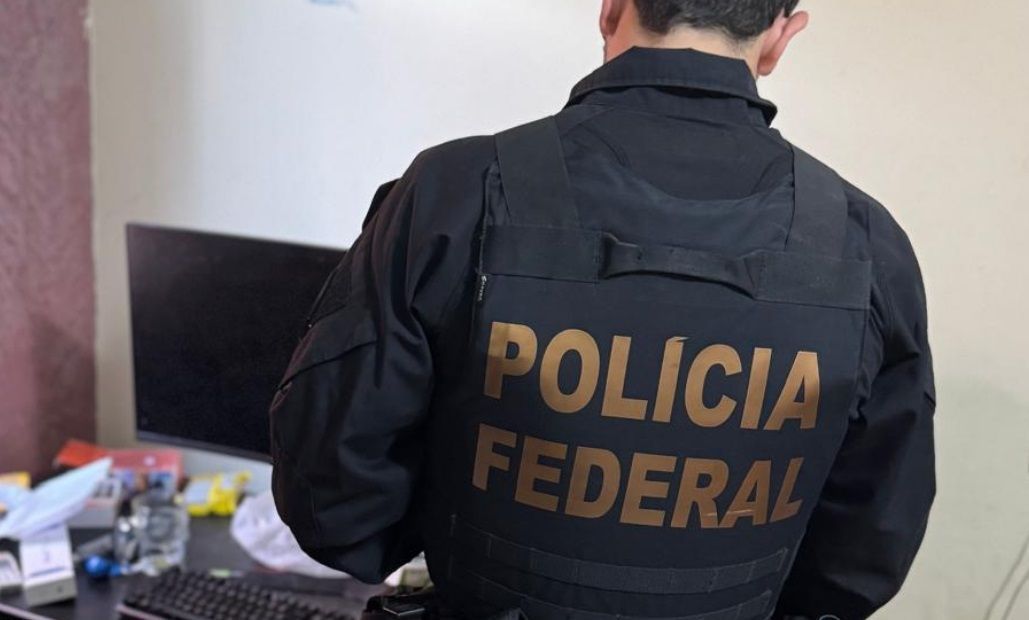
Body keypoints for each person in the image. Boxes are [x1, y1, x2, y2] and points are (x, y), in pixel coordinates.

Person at [270, 1, 936, 618]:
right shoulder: (866, 243)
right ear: (780, 37)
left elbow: (335, 502)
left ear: (612, 7)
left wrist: (460, 531)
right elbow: (863, 552)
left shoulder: (456, 191)